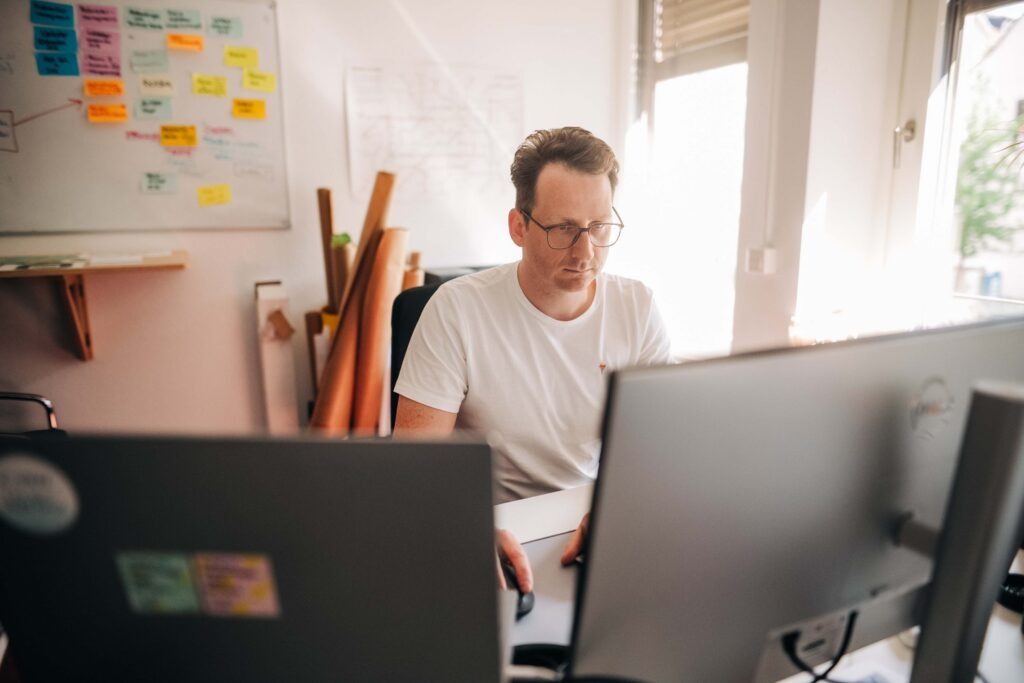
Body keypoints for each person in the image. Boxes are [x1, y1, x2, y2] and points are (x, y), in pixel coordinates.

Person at [393, 126, 672, 591]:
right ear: (518, 226)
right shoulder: (457, 309)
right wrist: (464, 527)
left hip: (588, 524)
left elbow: (664, 453)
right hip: (492, 532)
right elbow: (413, 470)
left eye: (600, 227)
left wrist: (617, 512)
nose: (586, 252)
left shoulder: (637, 307)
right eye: (564, 229)